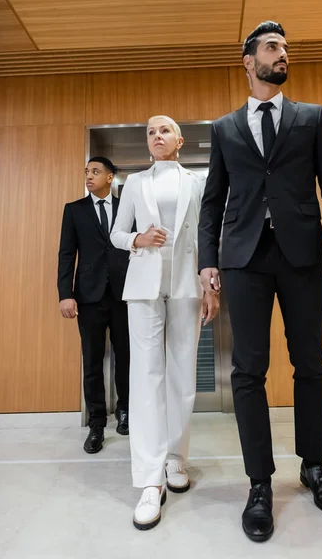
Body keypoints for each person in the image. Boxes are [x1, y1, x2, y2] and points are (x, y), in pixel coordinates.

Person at [198, 21, 322, 542]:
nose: (283, 55)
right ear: (248, 61)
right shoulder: (224, 129)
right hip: (243, 258)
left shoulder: (310, 117)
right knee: (247, 370)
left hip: (303, 255)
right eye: (272, 48)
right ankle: (259, 483)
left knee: (309, 362)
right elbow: (213, 202)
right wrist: (207, 261)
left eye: (285, 48)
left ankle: (313, 466)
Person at [111, 115, 219, 531]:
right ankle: (150, 479)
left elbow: (210, 233)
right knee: (146, 377)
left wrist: (211, 286)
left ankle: (176, 458)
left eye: (164, 131)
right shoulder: (136, 183)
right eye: (150, 132)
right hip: (143, 287)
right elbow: (119, 234)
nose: (156, 136)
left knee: (181, 376)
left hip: (188, 285)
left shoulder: (198, 182)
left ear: (180, 140)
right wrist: (138, 239)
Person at [58, 157, 130, 454]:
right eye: (86, 171)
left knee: (128, 357)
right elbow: (66, 253)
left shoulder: (128, 206)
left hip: (126, 295)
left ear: (110, 177)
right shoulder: (75, 210)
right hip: (88, 296)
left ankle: (126, 411)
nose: (89, 176)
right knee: (92, 361)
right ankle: (97, 423)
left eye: (95, 171)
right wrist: (65, 293)